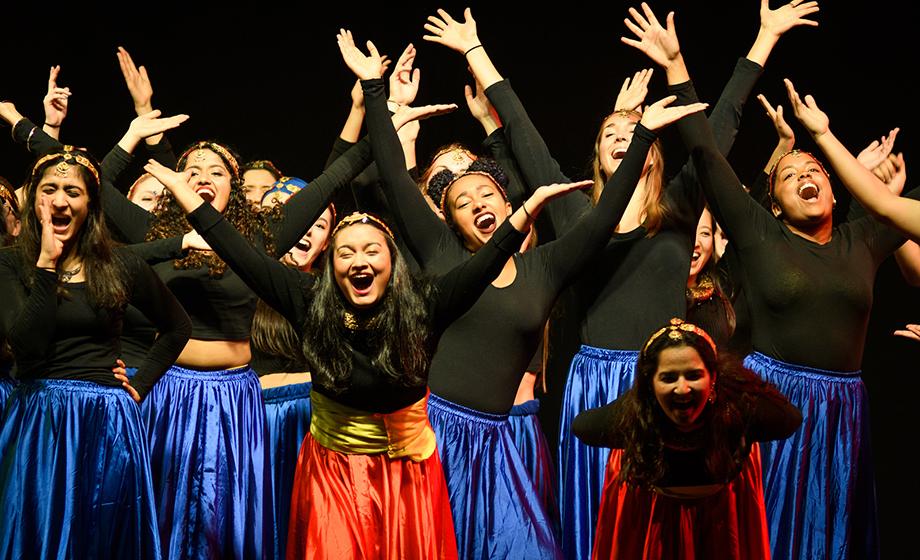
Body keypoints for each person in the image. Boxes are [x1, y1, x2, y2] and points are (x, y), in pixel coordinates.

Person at [421, 3, 817, 556]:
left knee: (669, 532)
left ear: (652, 148)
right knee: (597, 532)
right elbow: (525, 135)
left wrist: (760, 42)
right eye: (610, 130)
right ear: (599, 152)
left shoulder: (679, 208)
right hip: (593, 388)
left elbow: (715, 131)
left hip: (666, 385)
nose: (621, 135)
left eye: (632, 130)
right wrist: (475, 50)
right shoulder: (575, 213)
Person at [340, 25, 708, 558]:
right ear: (449, 221)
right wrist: (374, 91)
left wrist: (643, 137)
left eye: (486, 192)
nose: (476, 202)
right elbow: (396, 179)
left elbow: (606, 214)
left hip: (498, 444)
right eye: (462, 202)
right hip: (431, 437)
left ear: (509, 202)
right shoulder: (441, 255)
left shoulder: (544, 267)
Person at [143, 104, 540, 557]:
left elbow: (485, 264)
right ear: (332, 267)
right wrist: (192, 203)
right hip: (332, 474)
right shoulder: (309, 300)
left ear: (393, 262)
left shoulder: (424, 305)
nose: (360, 261)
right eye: (346, 252)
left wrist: (523, 213)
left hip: (408, 476)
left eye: (372, 250)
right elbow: (242, 255)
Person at [688, 78, 919, 559]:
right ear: (774, 204)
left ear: (835, 190)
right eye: (789, 176)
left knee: (835, 536)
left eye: (813, 169)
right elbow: (707, 157)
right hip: (776, 404)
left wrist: (872, 180)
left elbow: (896, 215)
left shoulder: (863, 239)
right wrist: (676, 68)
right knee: (767, 531)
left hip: (844, 413)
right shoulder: (761, 236)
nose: (804, 176)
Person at [0, 146, 191, 559]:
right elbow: (26, 343)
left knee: (102, 536)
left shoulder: (120, 264)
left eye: (73, 191)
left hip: (108, 420)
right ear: (34, 199)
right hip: (41, 416)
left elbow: (178, 327)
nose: (60, 200)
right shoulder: (11, 263)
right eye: (49, 189)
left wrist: (139, 385)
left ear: (90, 204)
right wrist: (47, 266)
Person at [573, 318, 801, 559]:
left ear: (713, 378)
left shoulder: (734, 414)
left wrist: (738, 397)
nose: (682, 389)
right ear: (651, 384)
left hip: (719, 530)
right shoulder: (634, 419)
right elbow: (582, 427)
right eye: (668, 378)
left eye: (693, 375)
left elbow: (789, 419)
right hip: (654, 532)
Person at [253, 176, 333, 559]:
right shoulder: (245, 285)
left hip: (315, 421)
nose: (306, 231)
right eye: (298, 220)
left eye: (319, 225)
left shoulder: (333, 293)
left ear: (329, 241)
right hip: (256, 422)